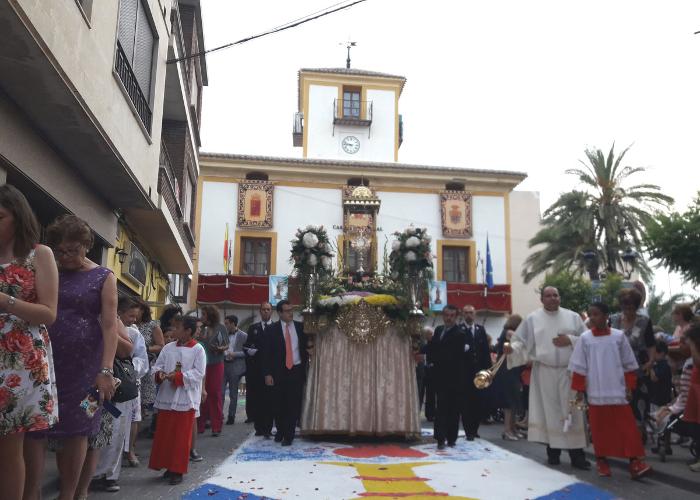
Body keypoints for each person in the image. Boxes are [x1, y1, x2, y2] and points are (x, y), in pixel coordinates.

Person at [24, 214, 120, 500]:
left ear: (87, 246)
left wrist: (106, 369)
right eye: (61, 250)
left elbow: (110, 324)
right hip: (44, 362)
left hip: (87, 368)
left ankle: (69, 495)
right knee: (36, 427)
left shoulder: (104, 276)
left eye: (73, 250)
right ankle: (32, 493)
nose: (66, 257)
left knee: (78, 431)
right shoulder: (47, 269)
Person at [0, 185, 59, 500]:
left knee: (9, 447)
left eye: (0, 217)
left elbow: (49, 313)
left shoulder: (39, 255)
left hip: (18, 363)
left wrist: (4, 301)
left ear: (18, 218)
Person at [504, 286, 590, 469]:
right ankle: (553, 453)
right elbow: (520, 341)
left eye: (556, 295)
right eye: (548, 296)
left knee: (572, 412)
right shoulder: (533, 318)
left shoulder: (573, 317)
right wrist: (511, 349)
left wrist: (571, 340)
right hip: (544, 372)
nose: (553, 298)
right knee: (549, 413)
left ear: (560, 298)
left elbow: (587, 340)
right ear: (542, 299)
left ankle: (578, 456)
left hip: (569, 372)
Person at [569, 302, 651, 479]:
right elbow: (579, 367)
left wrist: (629, 387)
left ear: (606, 316)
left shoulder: (618, 336)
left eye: (596, 314)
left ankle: (635, 462)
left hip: (617, 390)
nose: (592, 318)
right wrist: (578, 390)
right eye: (590, 314)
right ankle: (602, 461)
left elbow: (629, 364)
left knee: (627, 429)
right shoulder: (585, 338)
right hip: (596, 392)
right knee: (600, 430)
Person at [92, 297, 148, 492]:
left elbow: (134, 356)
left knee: (115, 429)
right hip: (87, 388)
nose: (133, 320)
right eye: (131, 315)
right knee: (86, 424)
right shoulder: (84, 318)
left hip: (116, 390)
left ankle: (108, 475)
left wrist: (109, 330)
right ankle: (84, 471)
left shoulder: (126, 329)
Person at [149, 315, 206, 485]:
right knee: (166, 435)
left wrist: (178, 376)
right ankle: (168, 466)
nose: (174, 331)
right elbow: (157, 366)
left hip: (185, 399)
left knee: (181, 437)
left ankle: (178, 470)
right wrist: (159, 374)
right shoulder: (168, 348)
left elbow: (198, 373)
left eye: (177, 328)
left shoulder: (198, 350)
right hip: (167, 397)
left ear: (188, 331)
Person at [263, 300, 307, 446]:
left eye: (291, 310)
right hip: (278, 372)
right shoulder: (271, 330)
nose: (290, 313)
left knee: (293, 404)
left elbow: (307, 346)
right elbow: (266, 354)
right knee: (278, 403)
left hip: (296, 370)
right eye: (287, 311)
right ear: (280, 313)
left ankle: (289, 434)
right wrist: (267, 374)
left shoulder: (301, 328)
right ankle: (281, 430)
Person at [610, 288, 657, 421]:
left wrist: (651, 361)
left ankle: (640, 431)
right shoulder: (613, 320)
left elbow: (651, 344)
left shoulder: (644, 321)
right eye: (625, 307)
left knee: (638, 402)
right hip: (616, 367)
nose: (628, 311)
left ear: (636, 307)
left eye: (632, 308)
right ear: (621, 306)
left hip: (639, 367)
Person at [427, 304, 467, 449]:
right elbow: (433, 348)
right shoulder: (438, 330)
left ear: (456, 317)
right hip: (439, 376)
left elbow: (450, 355)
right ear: (442, 316)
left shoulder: (459, 333)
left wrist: (435, 354)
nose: (448, 318)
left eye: (451, 316)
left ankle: (451, 437)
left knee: (453, 408)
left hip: (453, 377)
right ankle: (440, 437)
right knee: (441, 407)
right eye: (446, 315)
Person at [134, 297, 164, 453]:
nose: (134, 312)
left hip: (144, 369)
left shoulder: (152, 326)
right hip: (126, 369)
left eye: (137, 308)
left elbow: (161, 346)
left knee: (138, 408)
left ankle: (131, 446)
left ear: (143, 310)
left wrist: (144, 349)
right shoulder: (126, 324)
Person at [459, 304, 491, 440]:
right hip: (465, 373)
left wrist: (489, 371)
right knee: (467, 403)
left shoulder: (480, 329)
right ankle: (468, 431)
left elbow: (485, 351)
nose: (468, 315)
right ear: (462, 314)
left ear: (475, 314)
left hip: (480, 373)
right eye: (466, 313)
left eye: (471, 313)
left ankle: (475, 429)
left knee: (479, 402)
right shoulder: (459, 330)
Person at [197, 305, 228, 436]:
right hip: (202, 364)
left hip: (216, 363)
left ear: (210, 315)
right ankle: (200, 425)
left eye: (204, 314)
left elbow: (226, 344)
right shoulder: (200, 328)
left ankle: (216, 425)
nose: (201, 317)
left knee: (215, 393)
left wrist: (220, 348)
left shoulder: (220, 327)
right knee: (201, 394)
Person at [245, 302, 274, 435]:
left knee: (269, 400)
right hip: (256, 370)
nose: (266, 312)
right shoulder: (253, 328)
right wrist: (249, 351)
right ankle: (259, 427)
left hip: (271, 370)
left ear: (271, 311)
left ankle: (268, 428)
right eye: (263, 309)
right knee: (257, 399)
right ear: (260, 311)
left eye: (268, 309)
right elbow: (246, 345)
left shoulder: (276, 328)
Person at [494, 314, 524, 440]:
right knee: (509, 401)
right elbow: (520, 343)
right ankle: (507, 430)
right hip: (508, 369)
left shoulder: (506, 332)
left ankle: (512, 428)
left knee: (514, 400)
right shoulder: (510, 332)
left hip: (512, 369)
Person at [681, 323, 700, 472]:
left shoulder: (696, 349)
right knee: (694, 424)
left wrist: (693, 344)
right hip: (695, 386)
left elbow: (697, 362)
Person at [223, 314, 248, 425]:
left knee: (233, 394)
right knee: (220, 393)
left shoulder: (244, 336)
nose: (225, 325)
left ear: (233, 323)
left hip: (235, 367)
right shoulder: (223, 334)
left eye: (227, 323)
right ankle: (219, 416)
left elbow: (246, 352)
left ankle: (231, 416)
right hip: (223, 365)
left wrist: (234, 354)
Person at [648, 340, 673, 416]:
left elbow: (654, 378)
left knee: (655, 420)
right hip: (654, 398)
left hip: (659, 400)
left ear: (661, 353)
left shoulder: (664, 365)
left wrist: (650, 366)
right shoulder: (658, 364)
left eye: (654, 352)